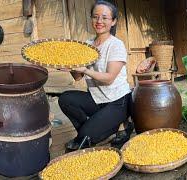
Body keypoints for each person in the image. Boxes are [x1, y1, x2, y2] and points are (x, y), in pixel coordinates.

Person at [58, 1, 133, 151]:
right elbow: (78, 77)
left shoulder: (116, 45)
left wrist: (85, 70)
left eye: (104, 18)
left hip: (117, 102)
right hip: (96, 99)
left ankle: (122, 125)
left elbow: (109, 78)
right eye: (95, 17)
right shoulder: (87, 44)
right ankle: (90, 131)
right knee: (65, 99)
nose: (99, 21)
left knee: (88, 135)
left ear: (113, 21)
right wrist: (71, 67)